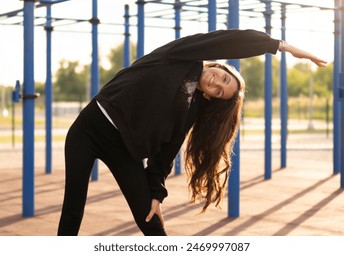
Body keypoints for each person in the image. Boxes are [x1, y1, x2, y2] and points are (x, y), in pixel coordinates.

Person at [57, 29, 326, 236]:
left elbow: (167, 150)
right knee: (72, 211)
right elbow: (226, 40)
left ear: (211, 98)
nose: (216, 84)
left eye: (219, 91)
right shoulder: (183, 55)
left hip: (124, 148)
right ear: (218, 67)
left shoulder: (191, 108)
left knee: (151, 222)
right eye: (222, 78)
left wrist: (155, 193)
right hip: (89, 128)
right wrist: (280, 46)